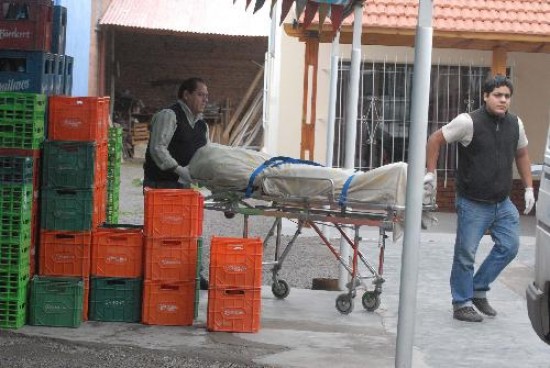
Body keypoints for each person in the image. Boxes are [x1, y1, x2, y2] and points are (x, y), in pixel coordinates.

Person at [424, 75, 535, 322]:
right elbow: (435, 139)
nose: (503, 100)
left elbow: (522, 153)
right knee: (465, 254)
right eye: (497, 95)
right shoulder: (468, 122)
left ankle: (478, 289)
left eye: (507, 96)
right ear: (485, 96)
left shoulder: (515, 124)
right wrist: (431, 173)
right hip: (472, 202)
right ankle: (461, 302)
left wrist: (528, 188)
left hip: (502, 202)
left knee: (510, 246)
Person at [143, 77, 210, 290]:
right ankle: (159, 275)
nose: (205, 100)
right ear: (186, 94)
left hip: (185, 187)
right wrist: (177, 169)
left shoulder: (202, 125)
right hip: (161, 185)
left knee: (188, 233)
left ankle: (190, 275)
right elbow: (158, 148)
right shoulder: (169, 115)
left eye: (206, 96)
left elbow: (205, 154)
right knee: (163, 234)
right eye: (200, 94)